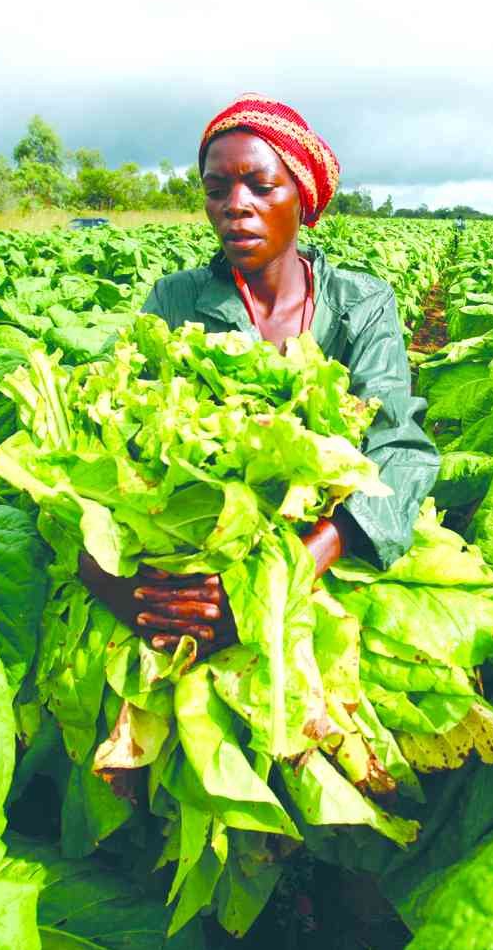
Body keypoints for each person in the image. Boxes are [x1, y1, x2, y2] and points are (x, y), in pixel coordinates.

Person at [77, 94, 439, 660]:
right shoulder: (174, 299)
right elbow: (94, 426)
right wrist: (129, 592)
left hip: (322, 544)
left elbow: (398, 449)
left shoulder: (360, 303)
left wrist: (280, 580)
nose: (234, 206)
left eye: (261, 187)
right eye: (216, 190)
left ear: (302, 198)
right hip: (183, 552)